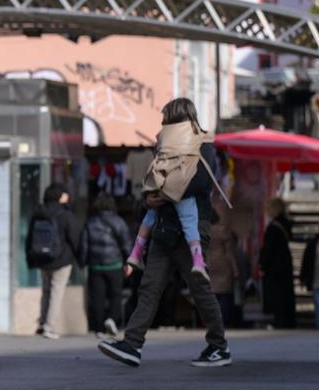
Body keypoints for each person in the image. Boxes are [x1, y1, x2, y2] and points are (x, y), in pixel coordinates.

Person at [98, 98, 229, 368]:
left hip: (190, 228)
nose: (163, 123)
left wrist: (163, 194)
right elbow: (152, 179)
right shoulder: (163, 147)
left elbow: (199, 183)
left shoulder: (203, 146)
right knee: (149, 287)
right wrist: (148, 200)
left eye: (166, 117)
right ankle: (132, 344)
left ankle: (218, 346)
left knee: (199, 288)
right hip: (163, 226)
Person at [123, 100, 215, 282]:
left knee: (148, 220)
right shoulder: (201, 142)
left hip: (162, 206)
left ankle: (135, 254)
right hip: (179, 208)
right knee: (190, 226)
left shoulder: (163, 140)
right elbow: (201, 182)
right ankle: (198, 261)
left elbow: (154, 170)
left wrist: (153, 195)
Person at [24, 186, 80, 339]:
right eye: (64, 194)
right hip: (61, 260)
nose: (67, 196)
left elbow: (29, 237)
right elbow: (75, 238)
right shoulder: (66, 214)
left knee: (46, 291)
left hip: (42, 259)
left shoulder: (38, 212)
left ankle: (42, 323)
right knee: (56, 292)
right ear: (59, 196)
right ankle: (49, 326)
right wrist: (80, 259)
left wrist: (30, 259)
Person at [82, 193, 130, 337]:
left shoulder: (90, 222)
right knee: (116, 294)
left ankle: (99, 329)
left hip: (95, 265)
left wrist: (83, 262)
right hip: (114, 264)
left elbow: (84, 245)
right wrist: (130, 262)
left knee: (98, 297)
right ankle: (112, 319)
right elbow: (126, 244)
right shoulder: (119, 222)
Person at [259, 197, 297, 330]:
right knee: (286, 293)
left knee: (277, 295)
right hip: (285, 263)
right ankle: (288, 320)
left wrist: (262, 264)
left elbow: (268, 248)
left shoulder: (273, 227)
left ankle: (279, 320)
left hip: (274, 266)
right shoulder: (286, 223)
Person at [206, 199, 241, 331]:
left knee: (213, 293)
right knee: (225, 293)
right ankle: (225, 320)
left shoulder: (203, 231)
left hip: (209, 263)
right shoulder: (223, 230)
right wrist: (235, 269)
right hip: (223, 263)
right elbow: (229, 252)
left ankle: (213, 321)